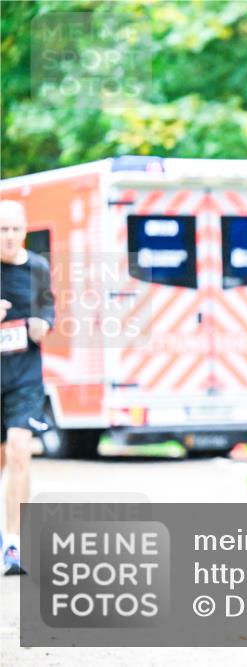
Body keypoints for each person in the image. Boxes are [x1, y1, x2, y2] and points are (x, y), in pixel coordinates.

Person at [0, 198, 55, 576]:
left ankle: (15, 544)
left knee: (20, 450)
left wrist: (41, 326)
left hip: (25, 377)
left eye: (15, 229)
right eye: (2, 230)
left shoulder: (37, 267)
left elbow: (47, 311)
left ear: (25, 230)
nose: (9, 237)